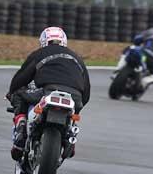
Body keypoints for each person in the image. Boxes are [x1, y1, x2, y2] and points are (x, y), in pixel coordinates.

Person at [6, 27, 91, 161]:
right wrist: (79, 105)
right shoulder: (77, 58)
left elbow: (21, 78)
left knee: (19, 94)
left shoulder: (39, 53)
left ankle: (21, 127)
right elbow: (86, 90)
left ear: (43, 41)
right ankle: (70, 134)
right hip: (75, 96)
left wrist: (12, 92)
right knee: (74, 113)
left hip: (48, 90)